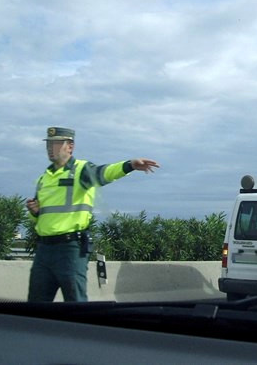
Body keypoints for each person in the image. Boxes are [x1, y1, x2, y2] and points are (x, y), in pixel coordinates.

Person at [26, 127, 159, 302]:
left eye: (56, 143)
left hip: (70, 248)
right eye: (49, 144)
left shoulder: (81, 170)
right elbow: (39, 217)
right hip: (44, 249)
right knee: (36, 304)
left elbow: (104, 173)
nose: (51, 148)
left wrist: (130, 165)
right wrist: (34, 212)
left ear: (70, 147)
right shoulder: (44, 178)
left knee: (75, 302)